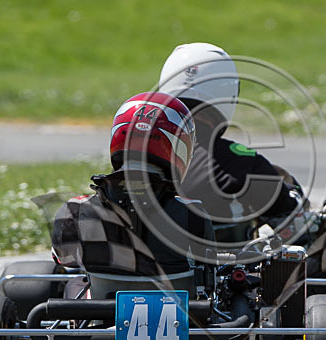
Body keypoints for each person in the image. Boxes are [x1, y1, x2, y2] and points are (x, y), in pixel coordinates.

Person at [52, 92, 215, 281]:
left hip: (100, 308)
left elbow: (64, 259)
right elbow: (208, 268)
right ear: (178, 145)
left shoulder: (76, 210)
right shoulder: (193, 214)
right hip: (177, 307)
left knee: (68, 284)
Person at [158, 42, 311, 244]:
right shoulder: (239, 164)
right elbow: (297, 226)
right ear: (227, 93)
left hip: (141, 270)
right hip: (210, 272)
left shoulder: (140, 157)